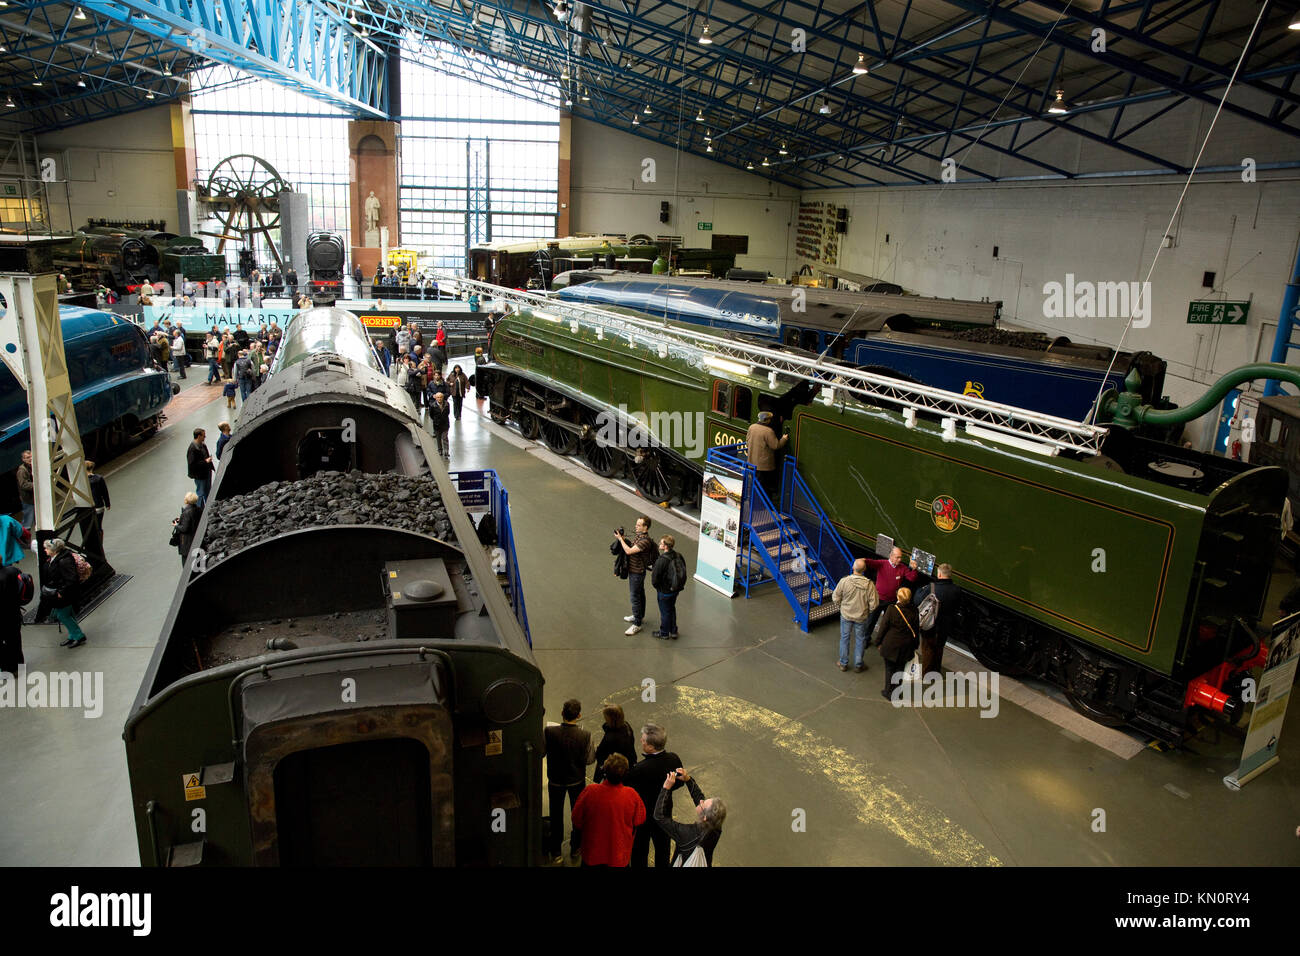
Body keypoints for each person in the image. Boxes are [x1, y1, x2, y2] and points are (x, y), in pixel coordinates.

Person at [623, 722, 684, 867]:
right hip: (664, 814)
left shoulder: (640, 769)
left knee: (639, 849)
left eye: (643, 740)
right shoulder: (674, 759)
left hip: (644, 816)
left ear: (650, 747)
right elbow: (680, 782)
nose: (641, 741)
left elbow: (628, 790)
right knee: (663, 849)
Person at [543, 698, 595, 864]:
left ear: (562, 713)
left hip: (556, 780)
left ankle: (556, 850)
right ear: (579, 715)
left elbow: (542, 752)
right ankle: (576, 847)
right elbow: (589, 759)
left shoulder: (549, 732)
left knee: (556, 814)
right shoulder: (585, 735)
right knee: (578, 814)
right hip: (576, 780)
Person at [570, 754, 644, 868]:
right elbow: (640, 820)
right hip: (618, 855)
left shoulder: (590, 792)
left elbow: (576, 819)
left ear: (604, 771)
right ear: (625, 774)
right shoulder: (632, 795)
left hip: (592, 852)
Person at [654, 768, 726, 866]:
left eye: (703, 803)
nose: (701, 801)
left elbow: (659, 817)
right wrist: (688, 780)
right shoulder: (716, 827)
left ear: (705, 817)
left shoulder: (685, 833)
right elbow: (699, 798)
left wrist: (665, 788)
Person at [862, 546, 919, 642]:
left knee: (887, 624)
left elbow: (911, 578)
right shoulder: (882, 564)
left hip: (891, 602)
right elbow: (869, 562)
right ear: (891, 556)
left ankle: (881, 641)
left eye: (900, 557)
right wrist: (861, 560)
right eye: (897, 557)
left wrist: (914, 569)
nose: (900, 559)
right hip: (878, 599)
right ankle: (865, 640)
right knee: (870, 621)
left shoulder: (903, 568)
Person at [833, 558, 880, 672]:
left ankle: (843, 663)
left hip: (846, 615)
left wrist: (842, 607)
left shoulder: (844, 581)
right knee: (860, 640)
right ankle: (858, 665)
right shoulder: (869, 585)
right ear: (864, 570)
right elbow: (875, 604)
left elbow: (835, 597)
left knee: (845, 638)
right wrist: (866, 612)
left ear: (853, 568)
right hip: (861, 617)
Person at [915, 563, 962, 675]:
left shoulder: (931, 588)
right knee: (939, 649)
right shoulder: (956, 590)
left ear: (939, 574)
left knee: (927, 649)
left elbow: (917, 600)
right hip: (945, 626)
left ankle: (926, 674)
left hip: (930, 625)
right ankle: (936, 672)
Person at [876, 586, 921, 700]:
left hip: (891, 645)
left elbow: (883, 627)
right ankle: (896, 692)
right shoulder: (915, 611)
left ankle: (888, 691)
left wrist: (878, 641)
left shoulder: (892, 609)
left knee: (889, 669)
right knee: (900, 670)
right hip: (906, 646)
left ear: (898, 597)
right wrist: (916, 645)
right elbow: (916, 630)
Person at [42, 538, 85, 649]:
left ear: (54, 550)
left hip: (64, 593)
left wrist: (61, 591)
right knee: (68, 613)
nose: (45, 550)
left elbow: (71, 578)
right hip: (63, 592)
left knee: (62, 615)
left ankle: (78, 635)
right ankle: (72, 635)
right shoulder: (57, 558)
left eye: (46, 548)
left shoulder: (63, 561)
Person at [614, 515, 653, 635]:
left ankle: (637, 624)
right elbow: (632, 547)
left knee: (635, 597)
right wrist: (624, 539)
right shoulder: (639, 537)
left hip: (637, 572)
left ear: (645, 527)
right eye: (636, 524)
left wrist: (620, 539)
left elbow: (629, 551)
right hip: (635, 571)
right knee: (640, 594)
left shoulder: (645, 541)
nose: (636, 526)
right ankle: (639, 616)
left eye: (639, 525)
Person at [745, 410, 788, 502]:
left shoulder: (752, 427)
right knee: (764, 486)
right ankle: (762, 504)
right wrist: (784, 439)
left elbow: (747, 441)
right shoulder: (768, 431)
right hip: (764, 465)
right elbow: (776, 445)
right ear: (767, 420)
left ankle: (754, 503)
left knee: (755, 485)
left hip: (752, 462)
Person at [649, 533, 686, 639]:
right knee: (671, 609)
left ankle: (664, 633)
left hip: (664, 591)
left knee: (665, 612)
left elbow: (655, 578)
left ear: (665, 546)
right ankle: (673, 631)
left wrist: (658, 587)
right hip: (675, 589)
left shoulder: (662, 560)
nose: (659, 544)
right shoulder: (678, 555)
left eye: (661, 543)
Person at [592, 704, 638, 784]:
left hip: (615, 767)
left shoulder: (610, 737)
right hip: (628, 763)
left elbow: (600, 754)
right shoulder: (626, 726)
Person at [0, 558, 27, 677]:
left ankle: (7, 668)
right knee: (15, 639)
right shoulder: (13, 570)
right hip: (14, 612)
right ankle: (19, 665)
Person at [172, 492, 202, 567]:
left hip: (187, 542)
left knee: (185, 563)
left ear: (186, 500)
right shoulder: (198, 509)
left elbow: (184, 529)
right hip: (196, 538)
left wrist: (176, 525)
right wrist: (181, 519)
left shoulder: (186, 512)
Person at [187, 428, 215, 506]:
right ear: (199, 436)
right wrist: (206, 462)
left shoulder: (202, 445)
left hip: (206, 472)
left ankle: (208, 506)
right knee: (201, 493)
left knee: (207, 491)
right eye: (204, 436)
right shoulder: (192, 449)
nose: (205, 437)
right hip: (200, 475)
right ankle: (200, 509)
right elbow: (192, 464)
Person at [428, 392, 451, 460]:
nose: (439, 399)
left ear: (443, 397)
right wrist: (436, 420)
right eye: (438, 397)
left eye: (441, 397)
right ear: (436, 398)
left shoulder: (447, 404)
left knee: (445, 438)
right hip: (437, 425)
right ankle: (440, 450)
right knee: (438, 438)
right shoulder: (433, 405)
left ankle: (446, 451)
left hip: (445, 424)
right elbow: (431, 415)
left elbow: (448, 413)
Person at [16, 450, 34, 529]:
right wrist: (36, 485)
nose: (30, 459)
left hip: (33, 498)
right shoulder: (22, 470)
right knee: (27, 523)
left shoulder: (32, 466)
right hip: (28, 500)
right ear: (23, 459)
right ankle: (25, 538)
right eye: (27, 457)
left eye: (31, 456)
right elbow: (23, 485)